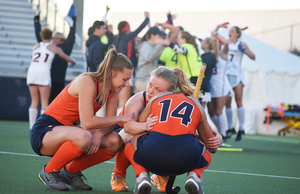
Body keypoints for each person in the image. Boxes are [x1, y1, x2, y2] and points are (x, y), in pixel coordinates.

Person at [29, 47, 135, 191]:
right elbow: (88, 122)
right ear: (111, 73)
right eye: (125, 79)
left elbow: (110, 124)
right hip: (44, 133)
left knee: (114, 141)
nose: (127, 84)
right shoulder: (87, 81)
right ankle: (48, 172)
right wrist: (121, 117)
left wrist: (99, 134)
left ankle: (70, 172)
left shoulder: (112, 90)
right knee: (84, 136)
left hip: (71, 132)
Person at [110, 66, 221, 193]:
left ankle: (149, 177)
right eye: (150, 85)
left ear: (170, 92)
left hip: (152, 147)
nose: (150, 91)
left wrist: (217, 138)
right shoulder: (137, 100)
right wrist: (145, 126)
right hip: (121, 133)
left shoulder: (161, 101)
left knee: (166, 140)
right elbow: (128, 127)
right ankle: (118, 174)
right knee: (127, 135)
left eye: (157, 89)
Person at [27, 28, 76, 130]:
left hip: (31, 73)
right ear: (51, 37)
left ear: (41, 36)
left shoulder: (36, 46)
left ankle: (31, 127)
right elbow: (67, 58)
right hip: (43, 73)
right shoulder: (54, 48)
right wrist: (73, 61)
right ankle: (40, 127)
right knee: (45, 103)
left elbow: (33, 56)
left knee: (34, 102)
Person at [222, 26, 256, 141]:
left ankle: (241, 128)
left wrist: (245, 51)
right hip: (227, 75)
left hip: (237, 75)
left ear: (237, 34)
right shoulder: (225, 43)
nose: (230, 33)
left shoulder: (241, 44)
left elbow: (253, 57)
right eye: (229, 31)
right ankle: (230, 127)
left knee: (239, 100)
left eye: (232, 31)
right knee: (227, 103)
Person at [33, 14, 76, 103]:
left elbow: (71, 38)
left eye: (57, 39)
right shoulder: (49, 47)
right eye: (53, 38)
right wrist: (37, 23)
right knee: (45, 102)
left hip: (58, 80)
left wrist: (73, 24)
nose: (54, 40)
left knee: (54, 102)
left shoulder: (65, 49)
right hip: (47, 79)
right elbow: (40, 38)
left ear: (62, 41)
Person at [114, 12, 150, 115]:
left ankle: (118, 121)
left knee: (121, 98)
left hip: (120, 69)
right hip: (125, 70)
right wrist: (147, 19)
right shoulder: (126, 37)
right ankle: (119, 123)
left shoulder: (120, 39)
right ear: (127, 28)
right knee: (124, 99)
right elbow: (139, 29)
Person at [134, 24, 179, 93]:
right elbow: (150, 57)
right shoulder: (145, 45)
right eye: (159, 35)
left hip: (148, 82)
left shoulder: (153, 46)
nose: (161, 37)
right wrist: (162, 44)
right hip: (143, 81)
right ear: (152, 35)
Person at [199, 37, 218, 108]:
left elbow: (202, 71)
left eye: (203, 41)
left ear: (207, 45)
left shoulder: (207, 57)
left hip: (204, 86)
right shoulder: (209, 56)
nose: (201, 43)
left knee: (201, 109)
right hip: (205, 85)